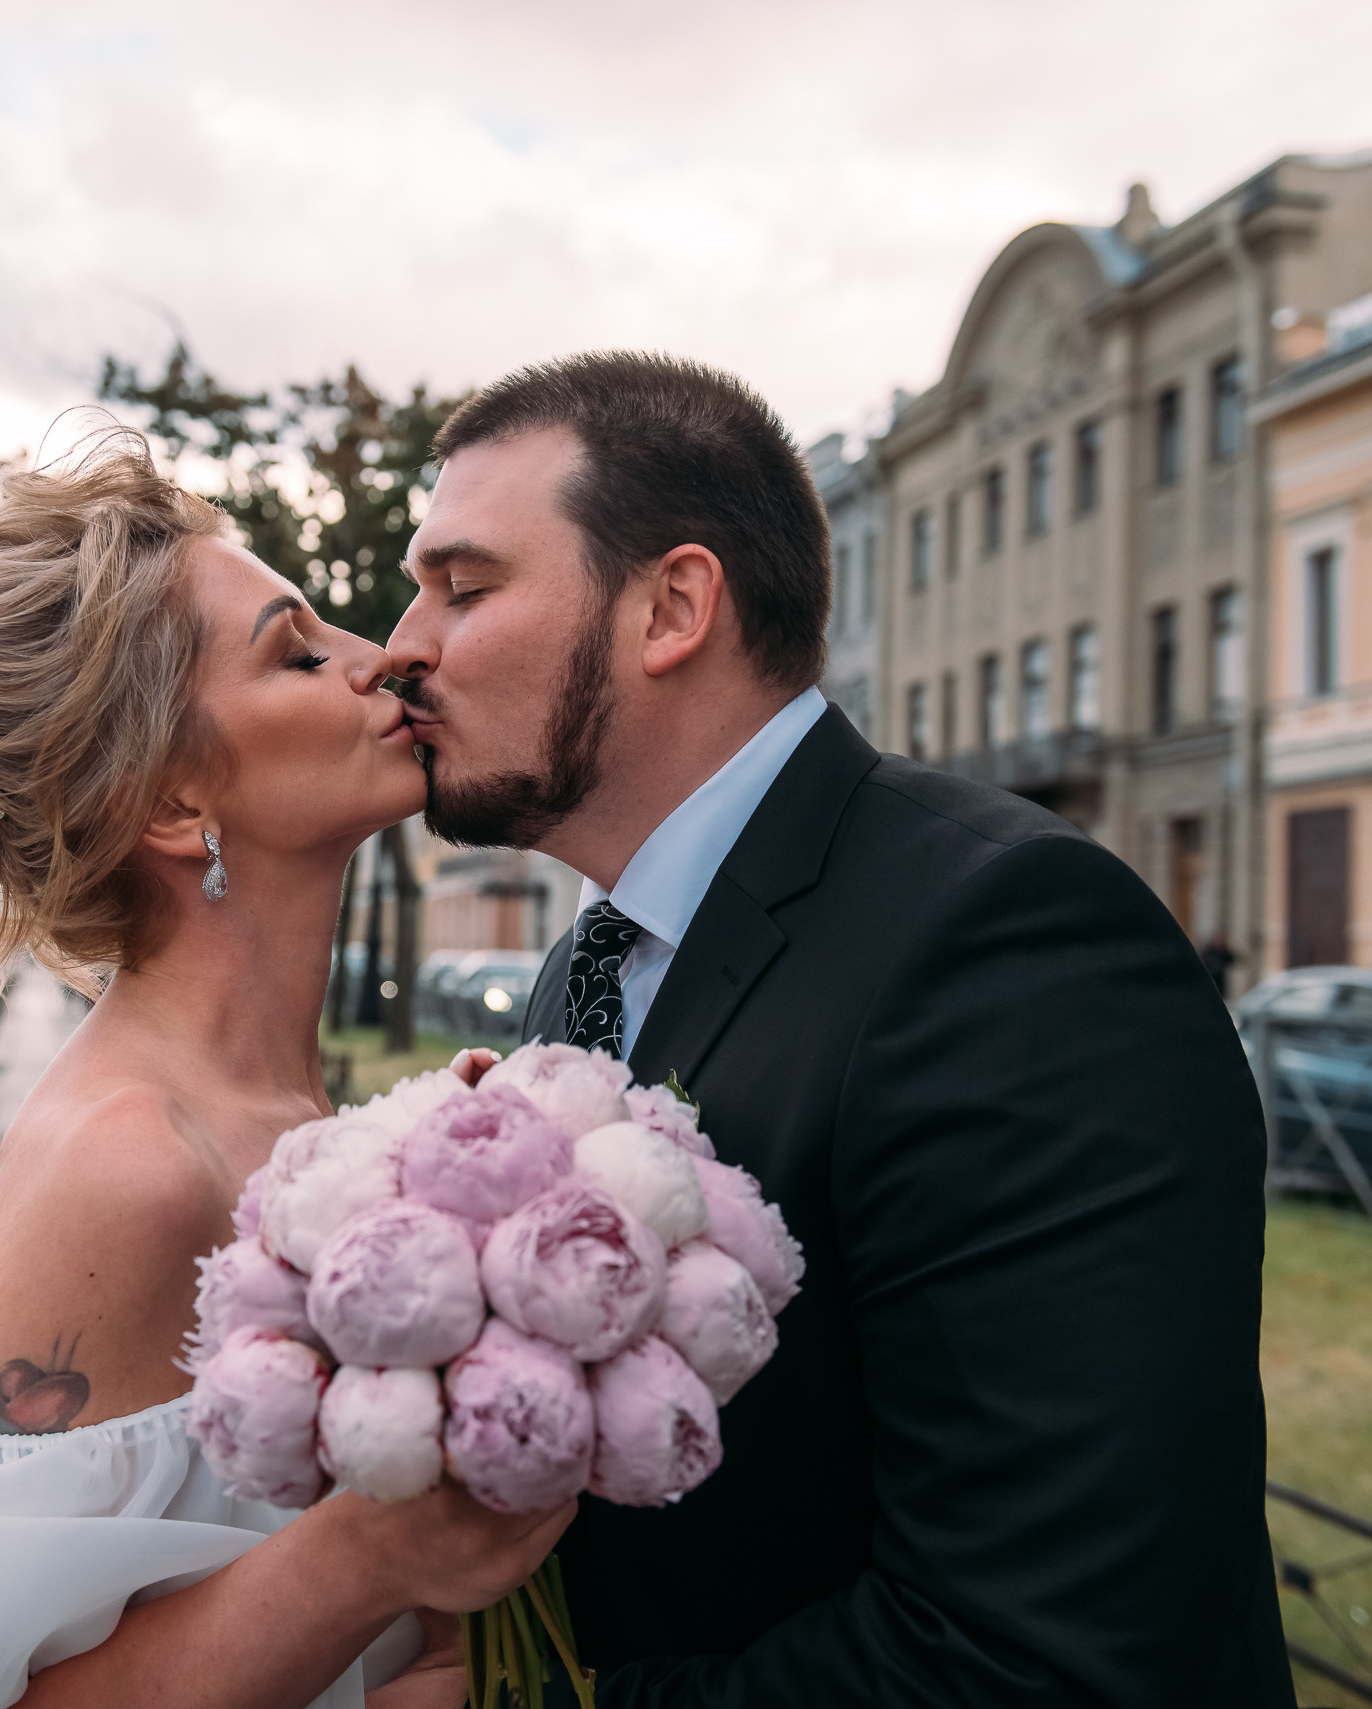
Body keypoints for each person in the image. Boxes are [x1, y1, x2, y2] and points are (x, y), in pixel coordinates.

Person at [383, 352, 1295, 1705]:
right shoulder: (589, 956)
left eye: (463, 588)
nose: (404, 643)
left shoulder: (1007, 941)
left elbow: (1041, 1656)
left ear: (672, 607)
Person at [0, 432, 564, 1709]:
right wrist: (374, 1551)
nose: (388, 656)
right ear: (175, 808)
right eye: (298, 653)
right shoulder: (125, 1166)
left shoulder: (310, 1123)